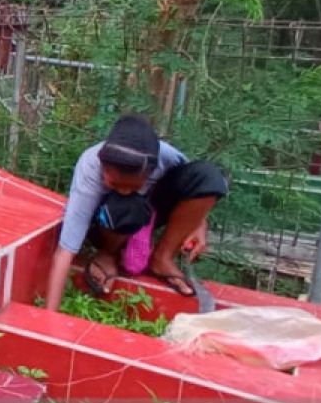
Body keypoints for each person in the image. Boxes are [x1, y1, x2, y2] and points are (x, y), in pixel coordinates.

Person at [44, 114, 229, 312]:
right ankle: (108, 254)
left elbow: (194, 186)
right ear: (102, 165)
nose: (124, 190)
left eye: (133, 185)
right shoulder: (90, 168)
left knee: (209, 177)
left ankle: (162, 258)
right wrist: (50, 314)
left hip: (147, 213)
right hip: (106, 221)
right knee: (126, 203)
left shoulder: (165, 156)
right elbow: (66, 250)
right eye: (114, 184)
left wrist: (200, 223)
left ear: (151, 171)